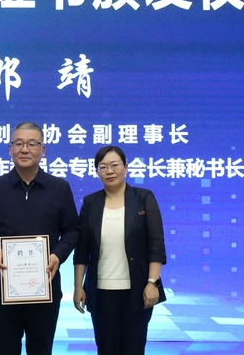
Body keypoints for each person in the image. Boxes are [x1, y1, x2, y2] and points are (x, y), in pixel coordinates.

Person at [0, 121, 80, 355]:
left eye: (32, 144)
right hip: (3, 288)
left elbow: (72, 229)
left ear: (43, 150)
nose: (24, 149)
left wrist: (57, 255)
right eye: (19, 143)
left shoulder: (59, 188)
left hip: (45, 289)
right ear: (10, 149)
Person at [73, 145, 167, 355]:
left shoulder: (143, 198)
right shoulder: (91, 202)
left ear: (126, 167)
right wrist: (78, 286)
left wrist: (152, 282)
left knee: (134, 348)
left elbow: (156, 245)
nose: (109, 171)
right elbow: (82, 249)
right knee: (106, 348)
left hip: (138, 290)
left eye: (115, 165)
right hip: (101, 291)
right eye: (103, 167)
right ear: (97, 171)